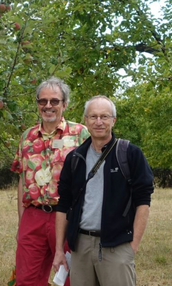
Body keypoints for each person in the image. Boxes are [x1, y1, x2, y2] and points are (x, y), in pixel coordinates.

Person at [53, 95, 154, 286]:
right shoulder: (75, 158)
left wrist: (133, 247)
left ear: (113, 120)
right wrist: (59, 249)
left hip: (117, 246)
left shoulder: (130, 154)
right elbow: (64, 204)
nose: (99, 122)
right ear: (86, 121)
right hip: (80, 246)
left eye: (104, 117)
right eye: (93, 117)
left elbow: (143, 201)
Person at [10, 77, 90, 286]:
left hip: (67, 216)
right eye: (42, 101)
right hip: (33, 216)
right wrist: (22, 221)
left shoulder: (81, 134)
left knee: (70, 277)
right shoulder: (27, 137)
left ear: (64, 104)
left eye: (54, 101)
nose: (48, 106)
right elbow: (22, 179)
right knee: (26, 279)